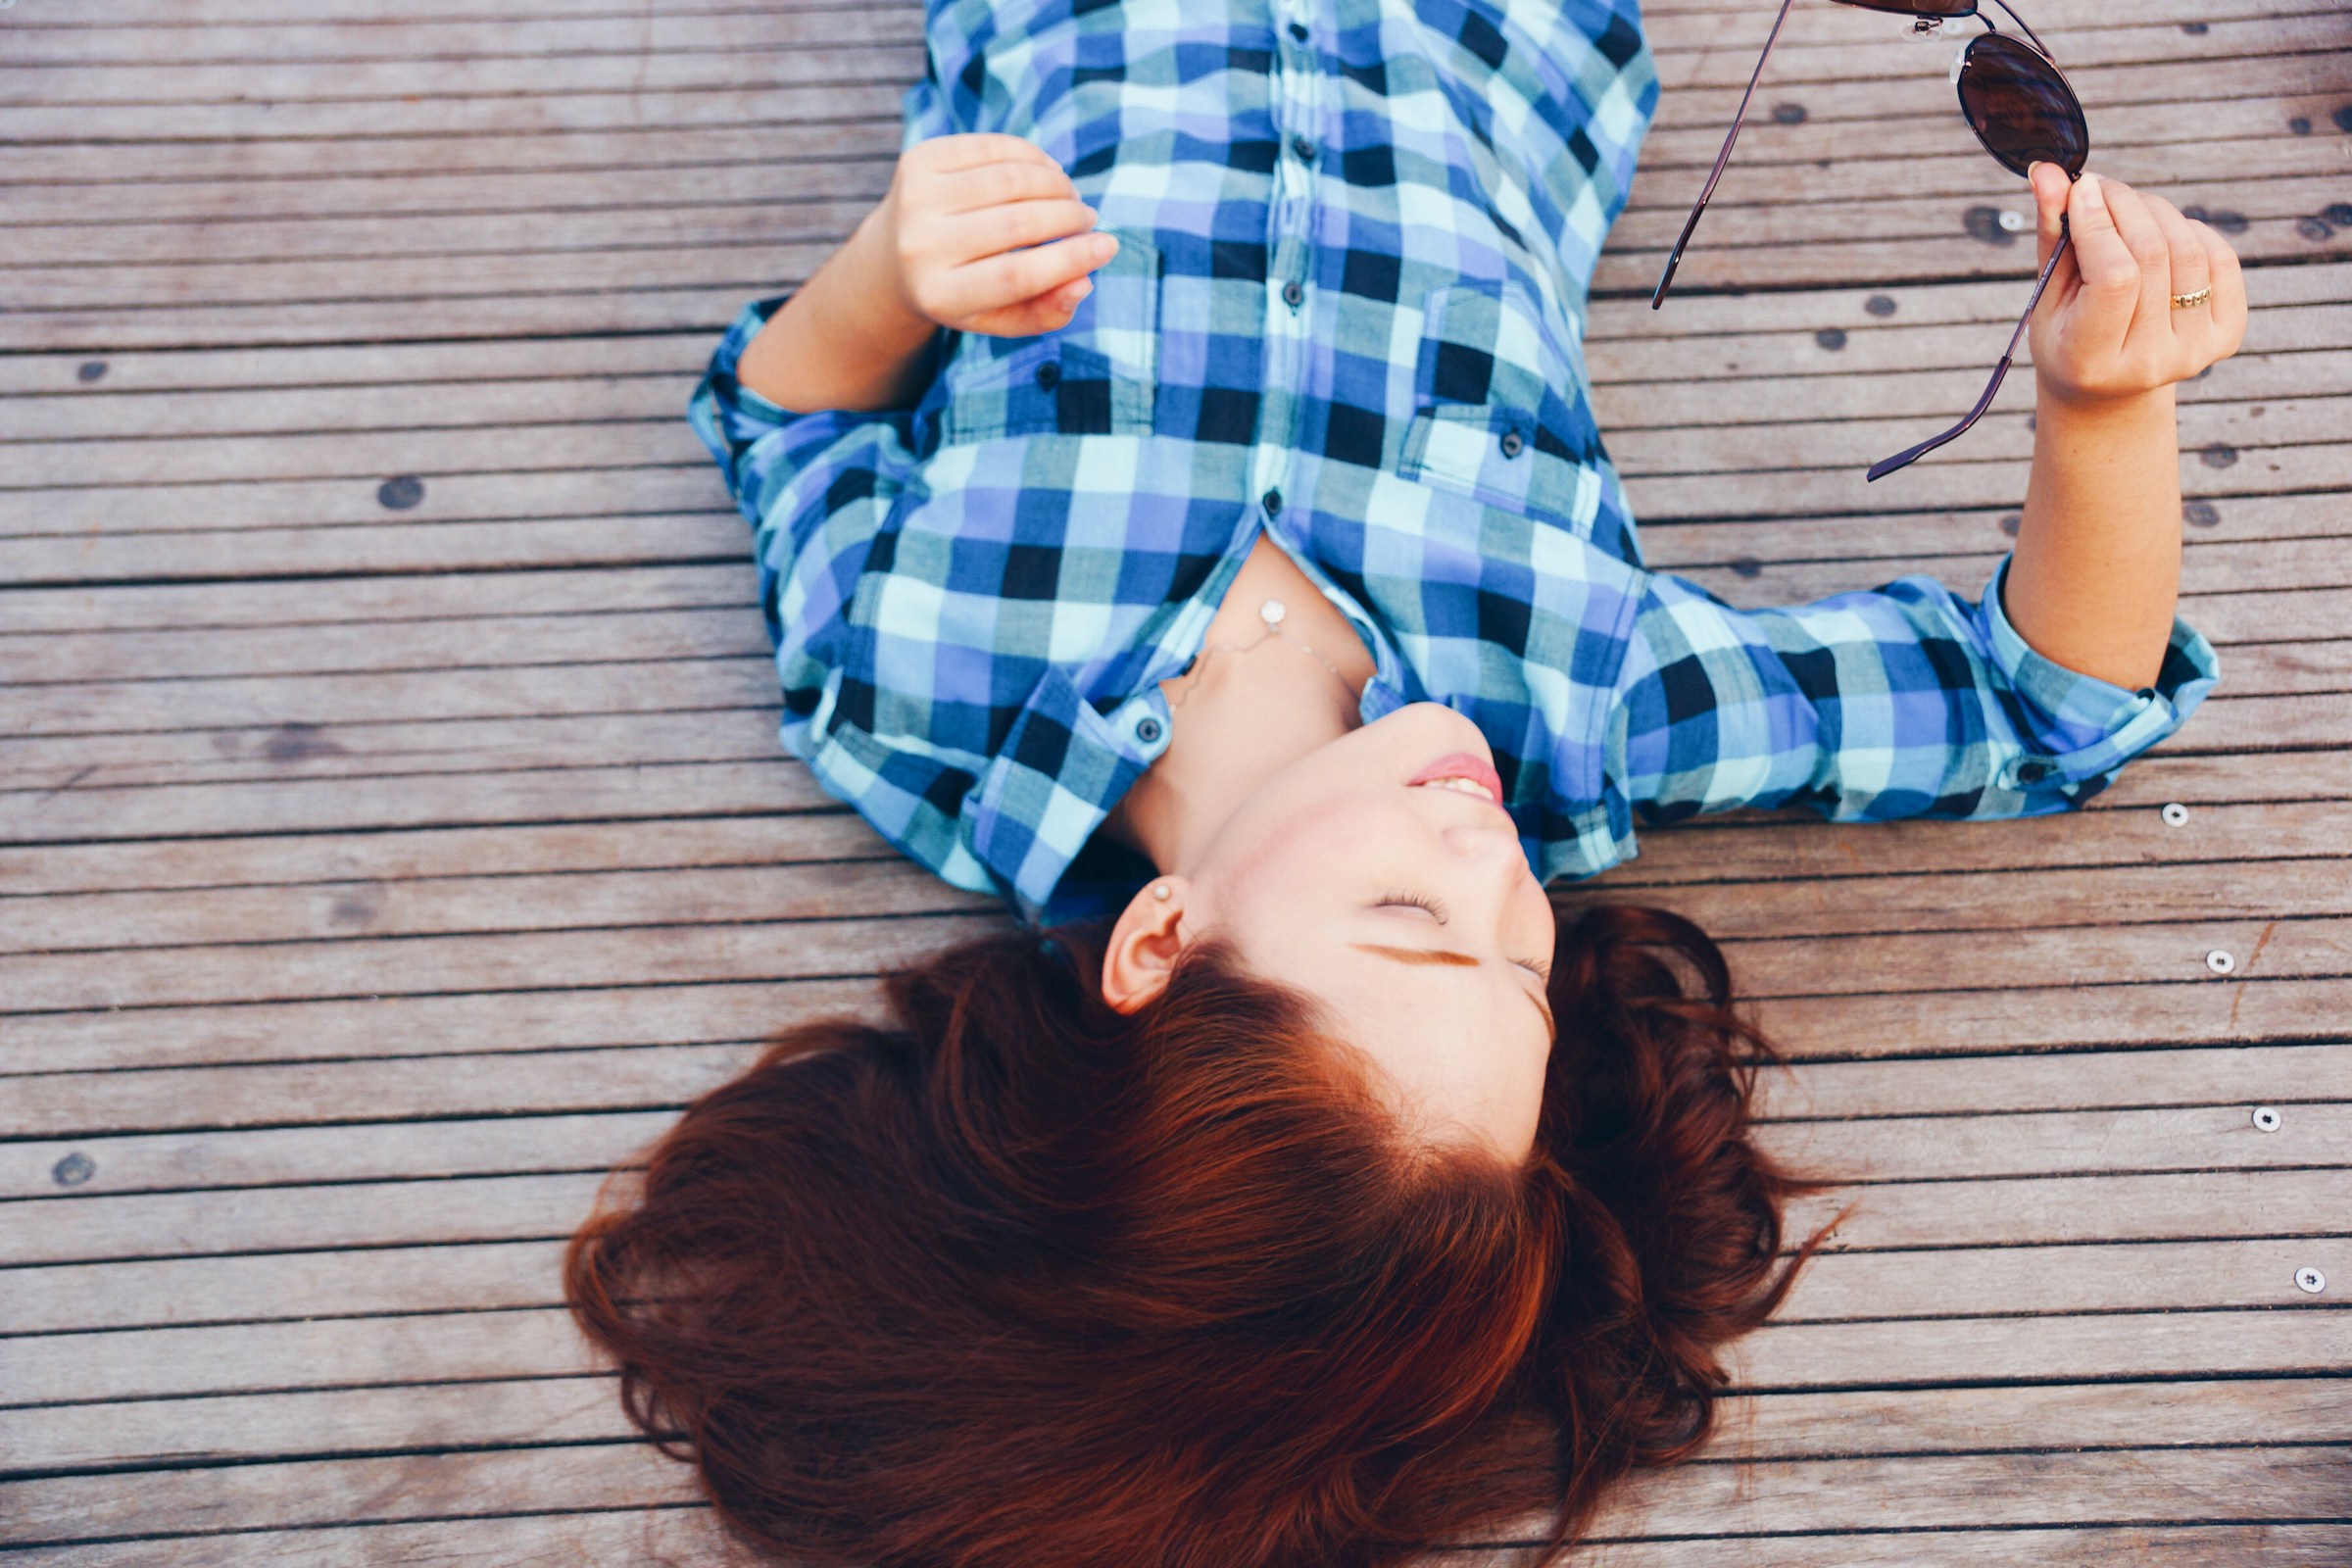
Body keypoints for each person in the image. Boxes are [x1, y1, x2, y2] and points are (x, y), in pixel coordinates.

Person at [566, 0, 2242, 1559]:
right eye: (1524, 965)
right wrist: (2107, 410)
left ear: (1159, 945)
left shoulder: (928, 695)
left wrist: (884, 275)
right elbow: (2039, 706)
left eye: (1408, 919)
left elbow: (782, 419)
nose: (1490, 858)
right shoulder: (1582, 709)